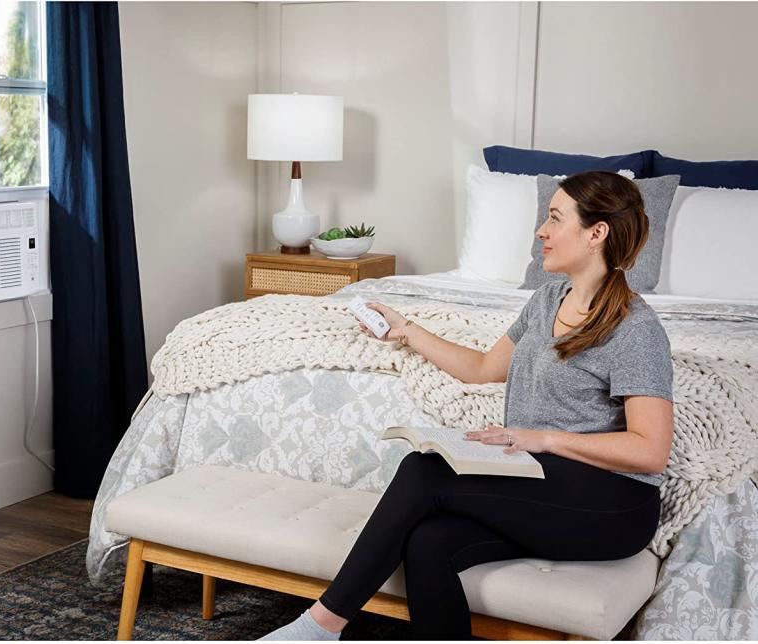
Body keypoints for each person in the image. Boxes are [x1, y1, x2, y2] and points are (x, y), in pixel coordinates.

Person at [259, 171, 674, 641]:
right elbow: (481, 368)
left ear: (596, 232)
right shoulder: (547, 299)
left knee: (423, 471)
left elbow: (650, 451)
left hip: (614, 505)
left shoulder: (635, 327)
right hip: (543, 482)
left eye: (555, 218)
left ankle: (319, 626)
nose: (541, 230)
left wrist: (540, 438)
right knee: (428, 540)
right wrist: (407, 331)